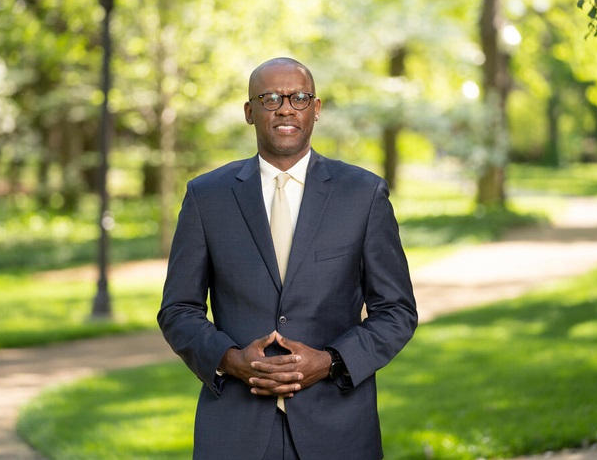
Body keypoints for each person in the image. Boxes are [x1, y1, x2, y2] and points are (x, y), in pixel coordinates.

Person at [157, 57, 418, 459]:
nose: (285, 108)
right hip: (235, 430)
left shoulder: (363, 195)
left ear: (316, 109)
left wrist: (331, 361)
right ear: (249, 112)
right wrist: (230, 360)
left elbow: (396, 310)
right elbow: (178, 309)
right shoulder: (206, 196)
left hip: (338, 429)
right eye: (270, 98)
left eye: (298, 98)